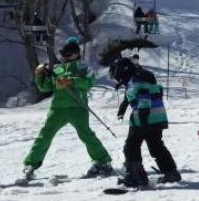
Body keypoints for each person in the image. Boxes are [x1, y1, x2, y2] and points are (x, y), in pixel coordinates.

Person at [22, 37, 113, 182]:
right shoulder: (58, 68)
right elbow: (45, 87)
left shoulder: (84, 67)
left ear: (76, 53)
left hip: (77, 107)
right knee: (45, 135)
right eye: (63, 53)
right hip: (58, 109)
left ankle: (103, 161)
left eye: (68, 53)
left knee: (85, 134)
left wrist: (71, 80)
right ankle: (31, 164)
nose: (64, 56)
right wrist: (39, 75)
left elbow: (89, 83)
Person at [110, 56, 181, 187]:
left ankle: (136, 177)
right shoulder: (141, 76)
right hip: (157, 116)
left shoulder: (134, 80)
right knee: (156, 146)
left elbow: (144, 97)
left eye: (116, 76)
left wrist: (142, 117)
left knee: (131, 147)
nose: (117, 79)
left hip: (143, 118)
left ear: (121, 72)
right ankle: (171, 172)